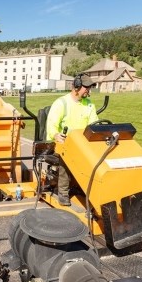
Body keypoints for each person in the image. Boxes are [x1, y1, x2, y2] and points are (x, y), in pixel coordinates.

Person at [46, 73, 98, 206]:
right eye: (86, 88)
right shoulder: (61, 103)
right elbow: (51, 125)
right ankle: (63, 192)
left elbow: (94, 124)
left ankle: (88, 190)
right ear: (77, 86)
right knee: (67, 158)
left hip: (81, 144)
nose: (88, 91)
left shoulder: (89, 105)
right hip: (62, 144)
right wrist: (56, 135)